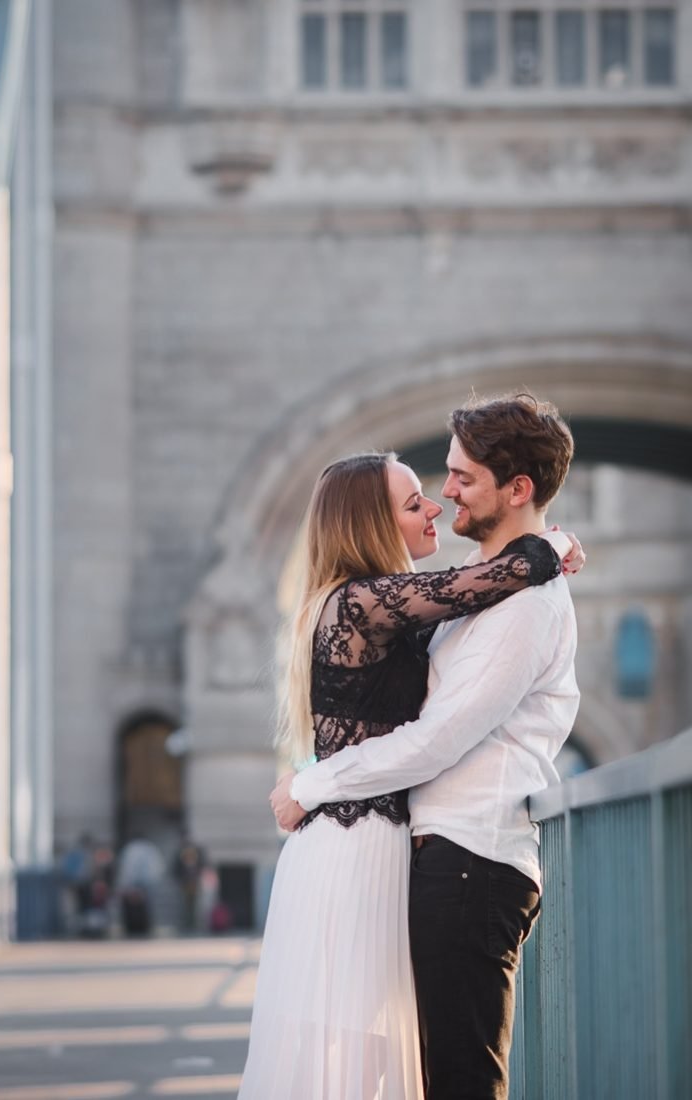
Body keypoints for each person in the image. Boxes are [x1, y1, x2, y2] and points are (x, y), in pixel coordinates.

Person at [238, 418, 581, 1098]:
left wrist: (313, 781)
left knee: (402, 1068)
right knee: (366, 1065)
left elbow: (489, 586)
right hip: (366, 842)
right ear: (372, 523)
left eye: (456, 480)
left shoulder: (419, 603)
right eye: (416, 498)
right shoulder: (368, 601)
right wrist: (554, 543)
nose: (439, 498)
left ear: (515, 488)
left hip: (424, 850)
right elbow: (502, 571)